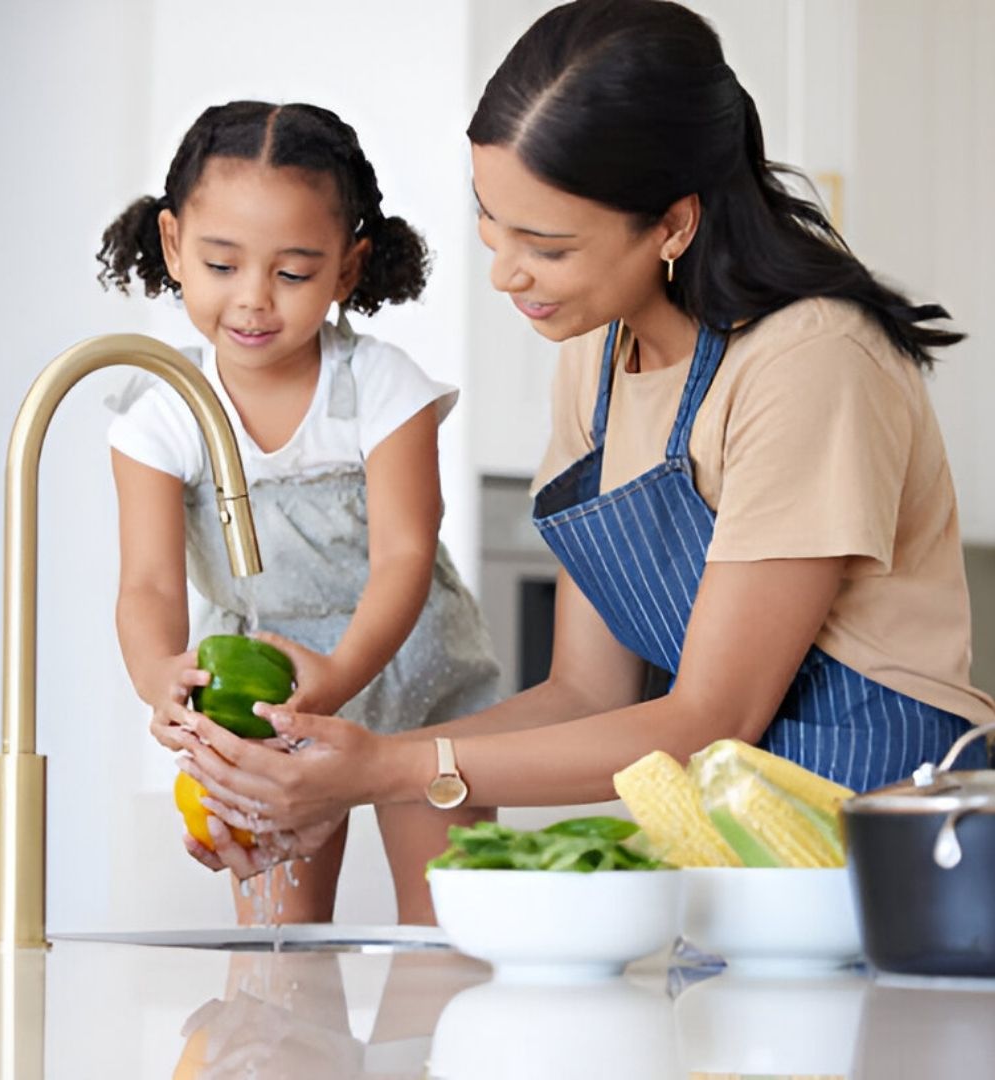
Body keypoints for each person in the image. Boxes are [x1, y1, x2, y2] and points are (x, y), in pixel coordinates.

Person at [164, 0, 995, 878]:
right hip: (728, 851)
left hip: (886, 848)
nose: (505, 271)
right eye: (493, 220)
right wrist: (329, 771)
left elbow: (707, 718)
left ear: (673, 224)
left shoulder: (811, 360)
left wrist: (389, 769)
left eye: (547, 245)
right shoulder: (599, 352)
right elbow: (584, 695)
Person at [98, 100, 500, 924]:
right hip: (262, 697)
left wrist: (341, 676)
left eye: (291, 273)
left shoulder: (382, 388)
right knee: (280, 949)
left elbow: (404, 558)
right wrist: (156, 679)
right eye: (221, 265)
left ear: (347, 270)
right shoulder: (163, 408)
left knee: (446, 931)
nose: (252, 301)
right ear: (174, 245)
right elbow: (146, 582)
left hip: (413, 674)